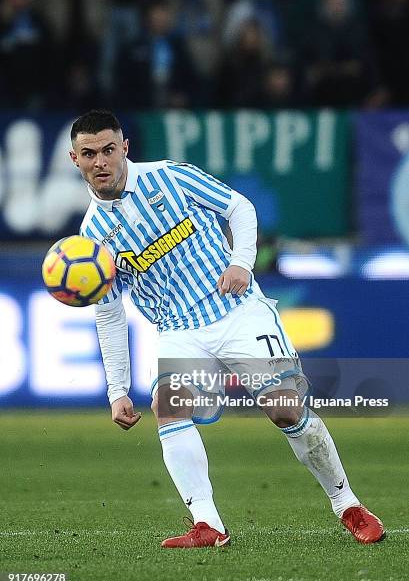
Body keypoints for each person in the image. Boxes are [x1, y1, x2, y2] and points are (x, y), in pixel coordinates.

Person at [69, 109, 385, 548]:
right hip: (179, 329)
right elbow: (109, 313)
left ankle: (347, 503)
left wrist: (241, 262)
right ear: (75, 158)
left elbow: (239, 207)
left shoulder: (171, 177)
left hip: (237, 310)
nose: (100, 161)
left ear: (125, 148)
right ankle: (208, 525)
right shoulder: (92, 238)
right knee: (169, 406)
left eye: (108, 149)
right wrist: (117, 390)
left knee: (284, 408)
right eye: (89, 153)